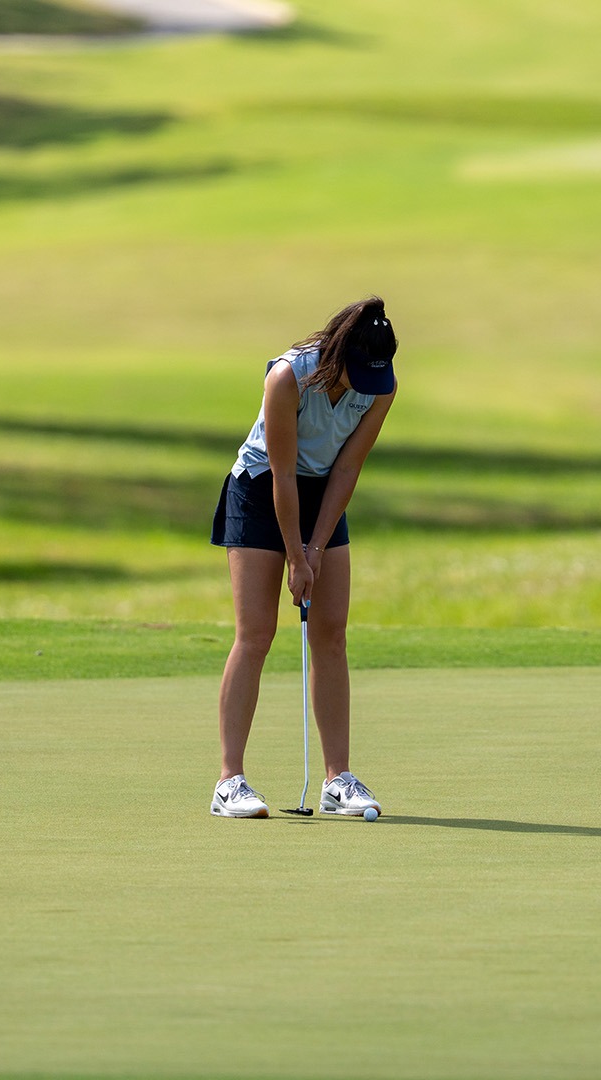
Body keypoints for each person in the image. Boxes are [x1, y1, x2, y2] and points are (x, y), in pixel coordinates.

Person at [208, 297, 398, 818]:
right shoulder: (289, 378)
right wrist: (296, 555)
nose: (367, 385)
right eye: (358, 373)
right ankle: (230, 782)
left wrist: (316, 547)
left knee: (331, 631)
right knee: (256, 632)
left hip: (323, 494)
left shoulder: (381, 384)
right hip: (263, 485)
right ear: (338, 356)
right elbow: (285, 474)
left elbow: (346, 471)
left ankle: (338, 780)